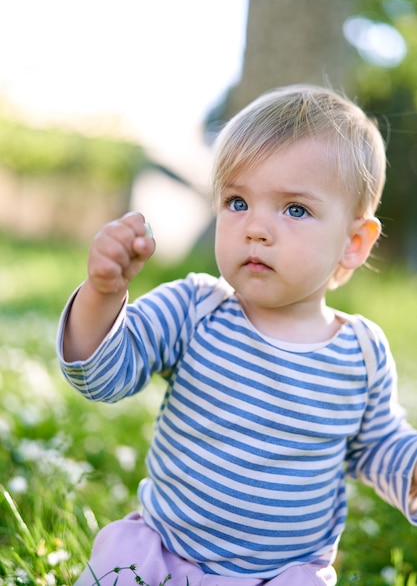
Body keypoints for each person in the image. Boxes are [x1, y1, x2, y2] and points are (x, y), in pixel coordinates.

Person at [57, 84, 417, 586]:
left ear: (353, 243)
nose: (255, 228)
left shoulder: (360, 353)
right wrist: (103, 294)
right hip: (165, 550)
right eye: (237, 201)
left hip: (281, 575)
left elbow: (378, 446)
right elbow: (101, 375)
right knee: (122, 564)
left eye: (294, 209)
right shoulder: (194, 309)